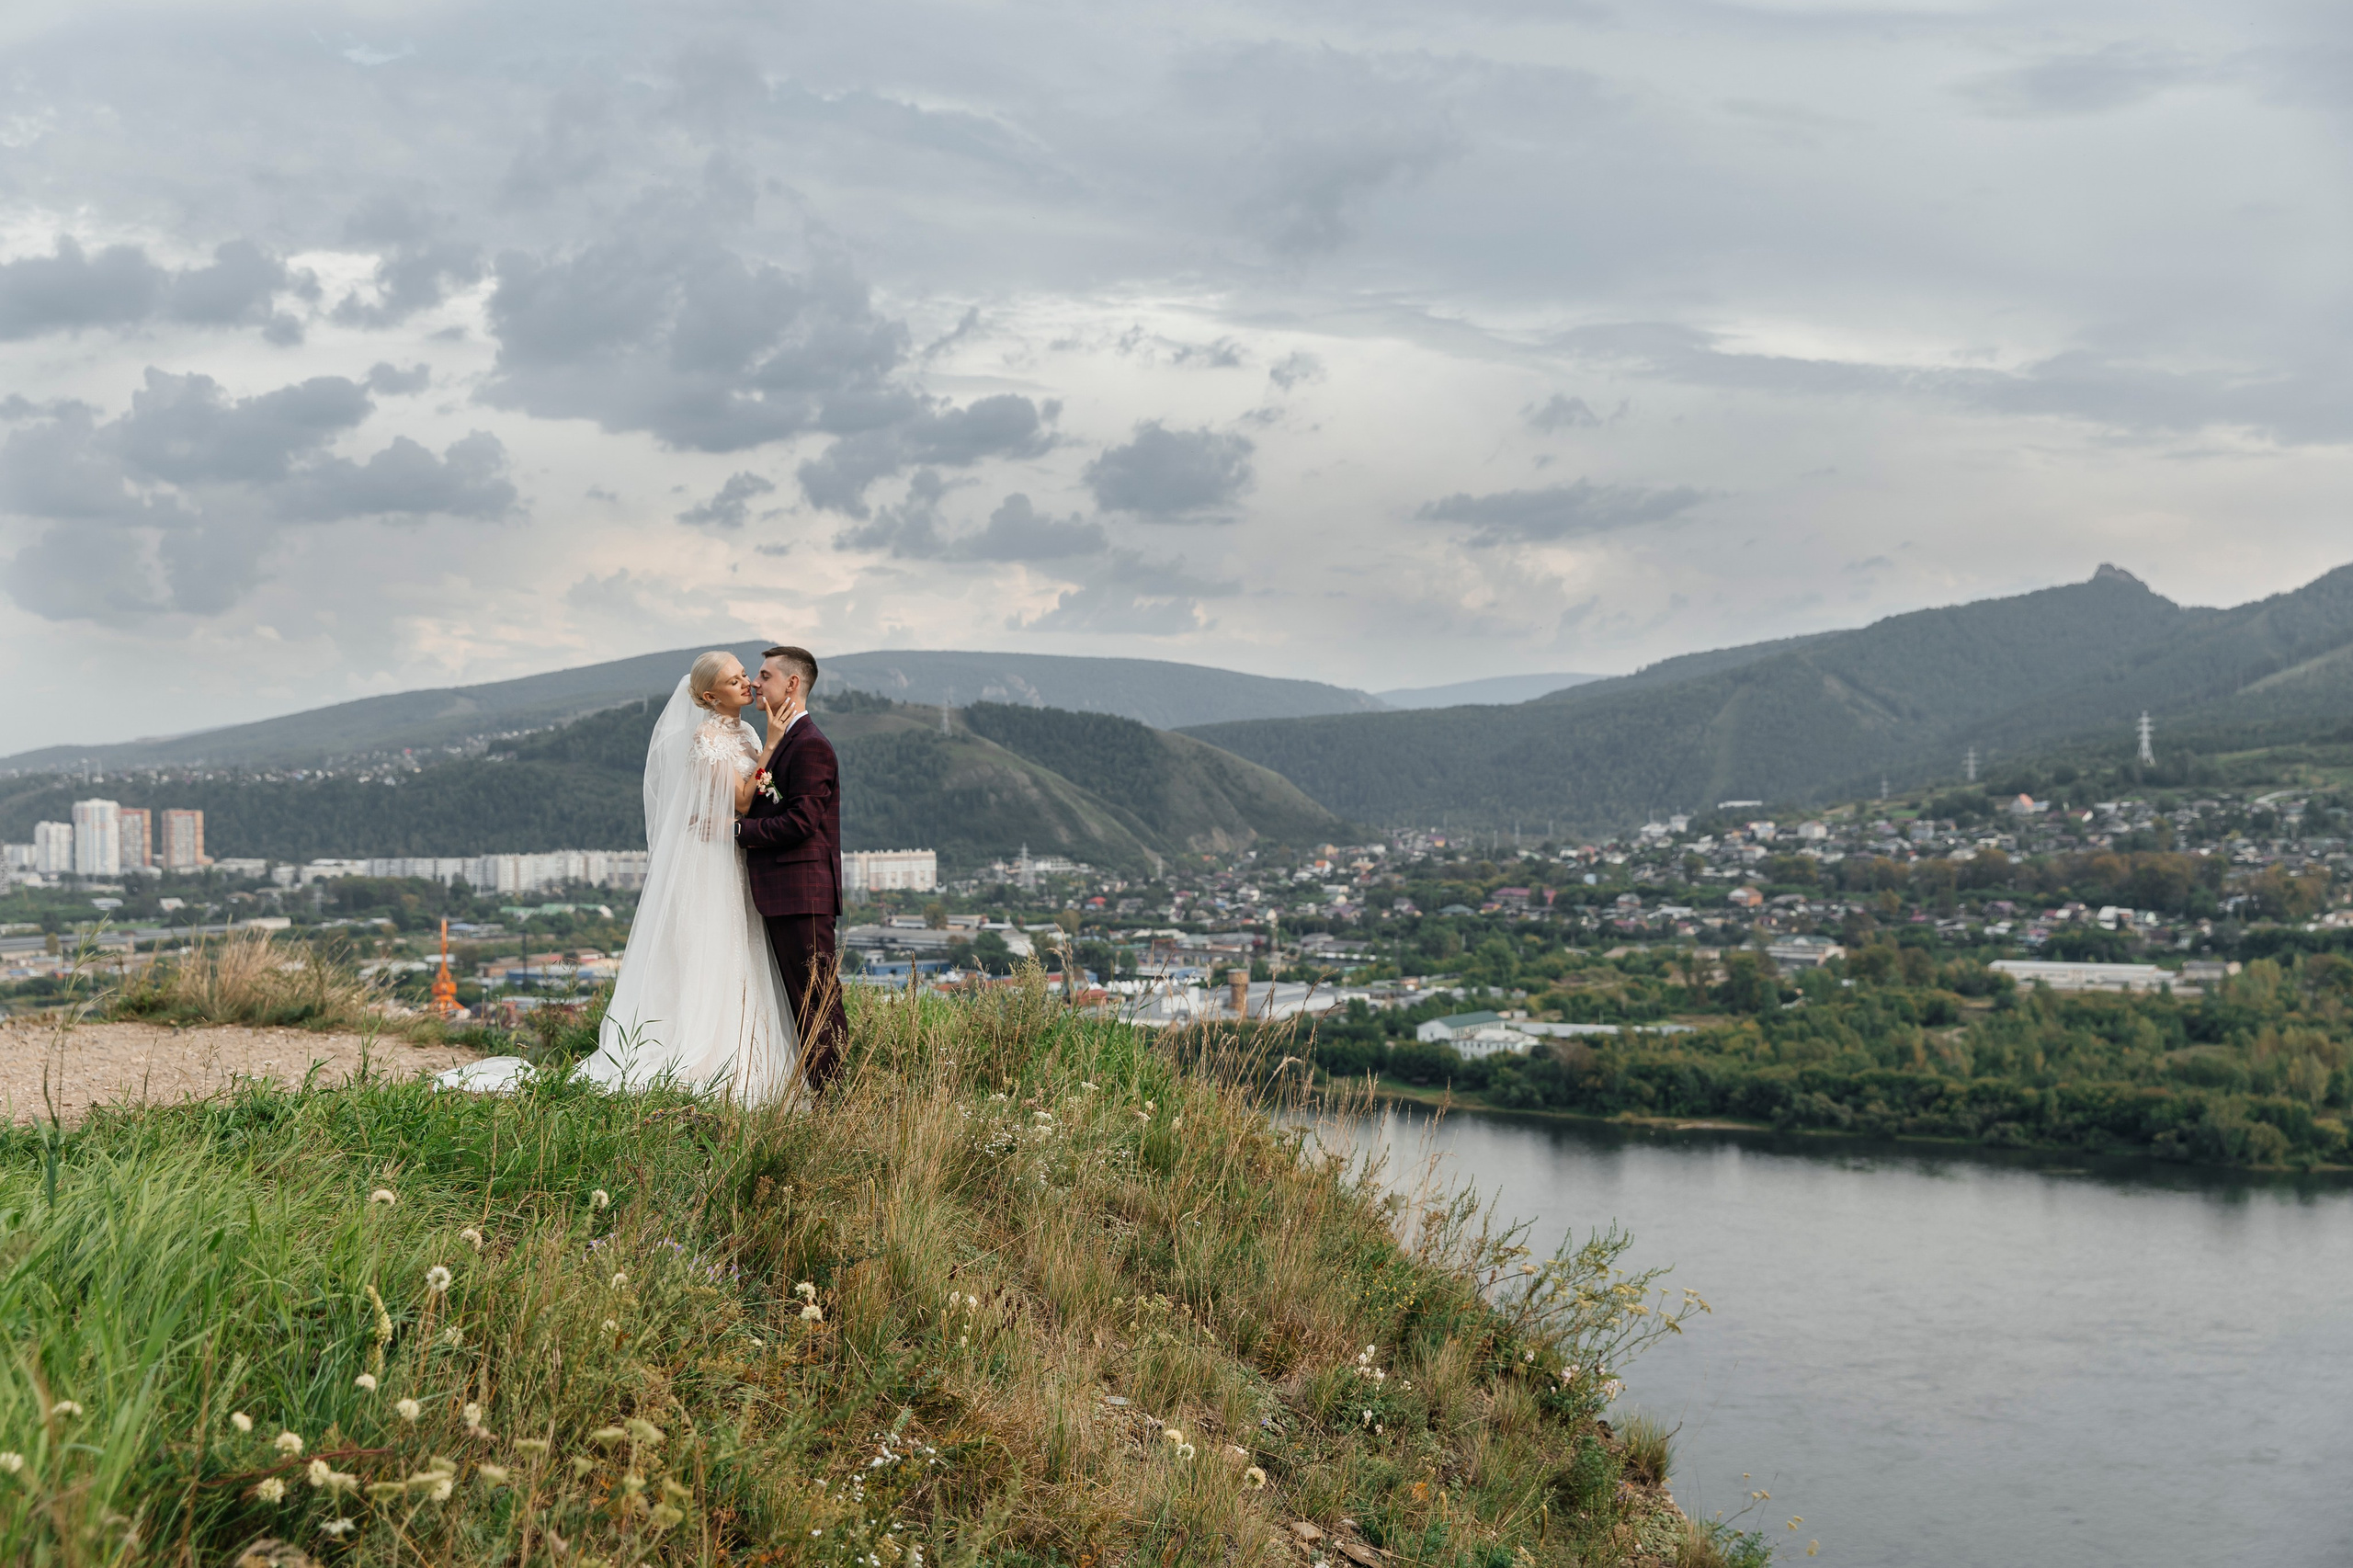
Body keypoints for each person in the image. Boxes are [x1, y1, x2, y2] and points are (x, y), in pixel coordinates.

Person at [436, 651, 802, 1101]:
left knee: (740, 949)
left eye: (746, 674)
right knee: (712, 950)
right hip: (708, 860)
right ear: (710, 696)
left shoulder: (743, 731)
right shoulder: (708, 736)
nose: (747, 683)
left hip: (734, 857)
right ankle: (704, 1058)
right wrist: (772, 744)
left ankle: (747, 1055)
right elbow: (744, 801)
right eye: (734, 681)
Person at [735, 644, 849, 1094]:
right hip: (784, 892)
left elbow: (802, 822)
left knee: (817, 997)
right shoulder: (787, 741)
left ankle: (835, 1097)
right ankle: (819, 1091)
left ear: (792, 684)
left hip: (802, 892)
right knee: (801, 997)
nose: (756, 684)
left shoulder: (812, 746)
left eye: (764, 676)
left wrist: (738, 831)